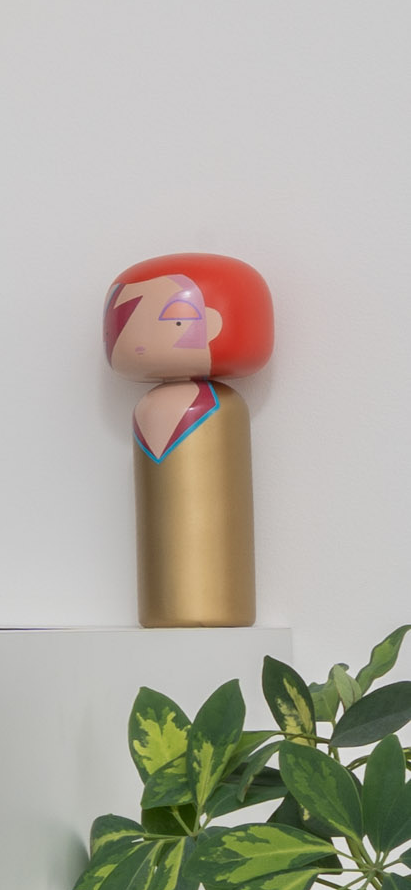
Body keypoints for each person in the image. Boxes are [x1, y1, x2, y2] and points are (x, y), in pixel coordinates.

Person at [103, 252, 271, 627]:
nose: (140, 341)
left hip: (228, 608)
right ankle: (172, 606)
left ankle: (210, 603)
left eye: (177, 318)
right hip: (159, 608)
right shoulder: (149, 408)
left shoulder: (223, 406)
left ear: (213, 323)